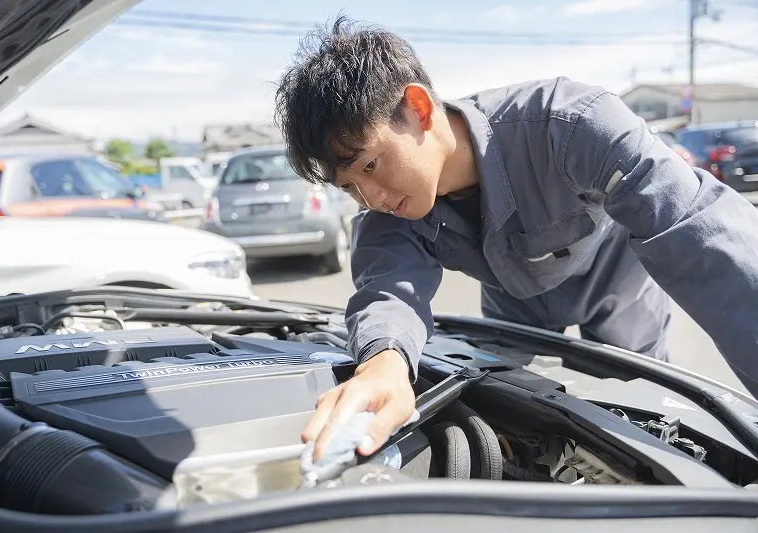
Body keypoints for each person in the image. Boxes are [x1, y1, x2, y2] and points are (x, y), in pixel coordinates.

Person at [273, 17, 758, 463]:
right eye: (348, 187)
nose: (370, 197)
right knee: (517, 416)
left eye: (372, 165)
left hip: (615, 286)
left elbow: (699, 229)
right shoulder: (389, 212)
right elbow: (385, 291)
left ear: (418, 108)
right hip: (514, 304)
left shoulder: (569, 125)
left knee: (646, 413)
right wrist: (383, 364)